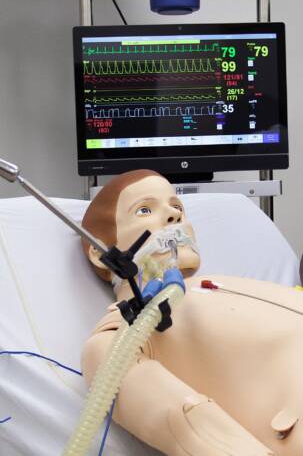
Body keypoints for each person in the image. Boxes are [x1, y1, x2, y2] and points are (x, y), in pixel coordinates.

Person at [80, 169, 302, 455]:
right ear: (101, 252)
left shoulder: (225, 285)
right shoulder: (121, 333)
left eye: (177, 207)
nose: (174, 216)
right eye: (144, 209)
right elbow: (189, 423)